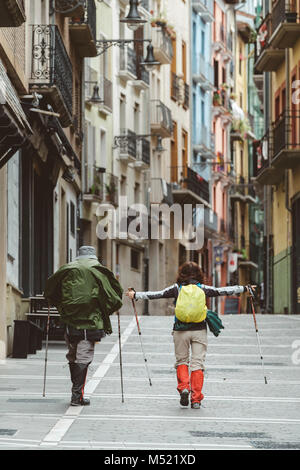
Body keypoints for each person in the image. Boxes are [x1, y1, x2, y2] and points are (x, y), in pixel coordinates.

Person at [126, 261, 255, 409]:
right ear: (199, 274)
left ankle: (184, 387)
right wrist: (244, 288)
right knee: (197, 363)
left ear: (181, 273)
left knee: (182, 361)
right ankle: (196, 399)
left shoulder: (177, 288)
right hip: (199, 330)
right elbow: (222, 291)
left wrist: (135, 295)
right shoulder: (203, 288)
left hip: (180, 330)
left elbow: (156, 294)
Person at [44, 246, 123, 406]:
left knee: (73, 355)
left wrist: (62, 307)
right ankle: (76, 395)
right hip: (91, 321)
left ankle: (77, 393)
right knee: (84, 357)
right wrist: (105, 311)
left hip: (69, 322)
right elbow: (115, 296)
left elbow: (50, 292)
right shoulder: (99, 270)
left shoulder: (66, 268)